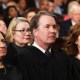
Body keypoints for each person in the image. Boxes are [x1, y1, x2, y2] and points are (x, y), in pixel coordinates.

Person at [18, 11, 73, 80]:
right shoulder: (23, 58)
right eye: (47, 27)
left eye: (54, 27)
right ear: (35, 32)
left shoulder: (63, 58)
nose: (53, 31)